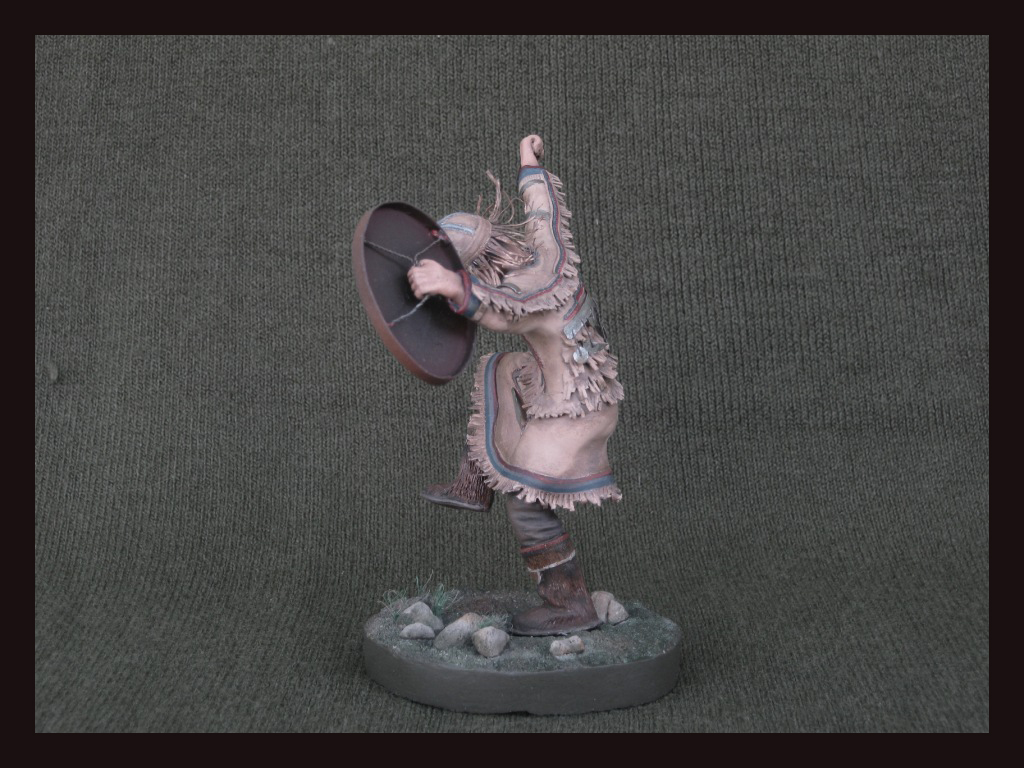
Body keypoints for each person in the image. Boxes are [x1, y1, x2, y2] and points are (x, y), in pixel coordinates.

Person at [407, 135, 624, 636]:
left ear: (479, 267)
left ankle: (569, 603)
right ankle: (473, 483)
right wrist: (530, 166)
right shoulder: (546, 252)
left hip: (578, 409)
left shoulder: (529, 288)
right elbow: (546, 212)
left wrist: (455, 286)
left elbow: (503, 311)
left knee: (527, 502)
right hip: (563, 382)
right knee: (501, 367)